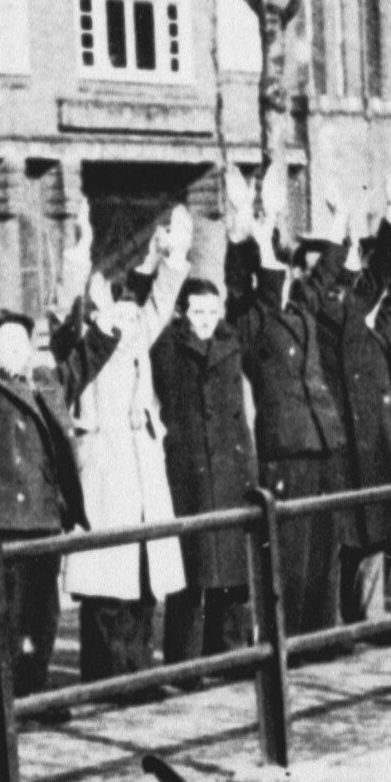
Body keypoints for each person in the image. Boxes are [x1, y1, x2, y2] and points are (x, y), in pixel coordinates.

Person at [0, 230, 112, 699]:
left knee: (41, 616)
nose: (17, 351)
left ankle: (33, 694)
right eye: (7, 343)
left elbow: (85, 360)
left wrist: (106, 321)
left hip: (42, 517)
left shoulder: (48, 384)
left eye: (24, 343)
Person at [56, 205, 191, 681]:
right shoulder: (82, 345)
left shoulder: (135, 335)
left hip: (142, 470)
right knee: (106, 585)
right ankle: (107, 680)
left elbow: (157, 302)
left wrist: (172, 256)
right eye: (111, 305)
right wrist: (77, 254)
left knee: (143, 577)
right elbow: (63, 311)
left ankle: (139, 676)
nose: (125, 313)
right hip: (105, 471)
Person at [297, 171, 391, 628]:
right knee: (338, 535)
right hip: (336, 439)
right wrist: (337, 224)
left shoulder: (360, 303)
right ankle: (333, 626)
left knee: (372, 529)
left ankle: (372, 618)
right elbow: (323, 280)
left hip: (366, 438)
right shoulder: (310, 308)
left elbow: (385, 267)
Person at [222, 168, 349, 634]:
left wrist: (341, 220)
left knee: (324, 548)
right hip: (287, 448)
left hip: (322, 440)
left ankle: (320, 633)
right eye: (278, 267)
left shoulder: (301, 308)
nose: (290, 275)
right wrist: (245, 222)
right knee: (291, 554)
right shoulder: (250, 320)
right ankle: (287, 639)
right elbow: (240, 281)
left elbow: (327, 271)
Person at [151, 272, 257, 665]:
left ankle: (229, 653)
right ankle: (185, 660)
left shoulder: (230, 345)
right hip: (189, 470)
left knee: (231, 568)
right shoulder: (168, 347)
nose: (206, 319)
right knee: (191, 570)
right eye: (198, 311)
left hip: (229, 470)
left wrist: (249, 470)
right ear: (182, 312)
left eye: (213, 311)